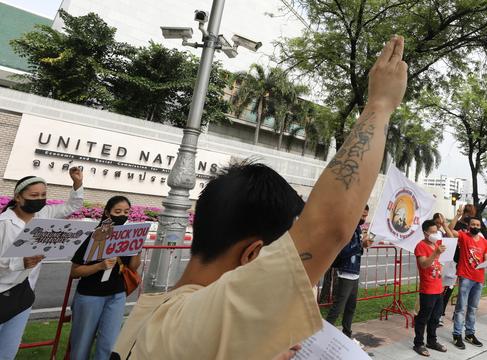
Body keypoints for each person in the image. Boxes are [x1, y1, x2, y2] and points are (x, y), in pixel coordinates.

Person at [111, 35, 408, 360]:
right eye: (282, 248)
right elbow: (327, 228)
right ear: (252, 255)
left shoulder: (151, 315)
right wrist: (380, 104)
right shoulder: (200, 322)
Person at [0, 169, 84, 359]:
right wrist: (19, 262)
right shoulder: (3, 224)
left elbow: (72, 205)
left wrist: (77, 183)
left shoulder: (43, 215)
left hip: (24, 295)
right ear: (18, 197)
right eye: (34, 195)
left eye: (43, 195)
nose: (39, 199)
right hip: (2, 292)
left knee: (8, 350)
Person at [69, 196, 142, 360]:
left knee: (109, 343)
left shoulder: (127, 235)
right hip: (90, 296)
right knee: (81, 343)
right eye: (118, 211)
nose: (122, 215)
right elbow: (74, 271)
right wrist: (99, 266)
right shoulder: (96, 236)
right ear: (108, 212)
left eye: (126, 212)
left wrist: (137, 248)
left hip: (117, 295)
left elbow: (132, 267)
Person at [325, 205, 372, 339]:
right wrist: (360, 245)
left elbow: (357, 251)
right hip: (346, 272)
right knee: (338, 306)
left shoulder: (357, 229)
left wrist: (363, 245)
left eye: (366, 216)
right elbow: (344, 251)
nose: (364, 218)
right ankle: (324, 334)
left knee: (351, 306)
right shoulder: (349, 229)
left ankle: (347, 334)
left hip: (354, 272)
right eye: (363, 215)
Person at [448, 217, 487, 349]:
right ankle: (457, 335)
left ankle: (469, 333)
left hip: (479, 278)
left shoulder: (485, 242)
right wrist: (457, 216)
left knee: (473, 308)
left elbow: (486, 257)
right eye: (473, 224)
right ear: (469, 226)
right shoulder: (463, 236)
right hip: (466, 276)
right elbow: (450, 229)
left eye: (477, 224)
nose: (475, 226)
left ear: (480, 227)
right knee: (461, 308)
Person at [413, 219, 448, 356]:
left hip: (438, 286)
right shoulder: (421, 246)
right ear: (425, 233)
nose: (436, 234)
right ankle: (418, 343)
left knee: (435, 317)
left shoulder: (437, 244)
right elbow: (424, 264)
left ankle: (432, 341)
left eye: (437, 231)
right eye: (433, 232)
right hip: (427, 288)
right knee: (423, 317)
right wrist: (435, 253)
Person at [432, 213, 456, 327]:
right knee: (434, 293)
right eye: (437, 223)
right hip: (433, 265)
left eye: (440, 223)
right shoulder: (431, 234)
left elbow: (451, 238)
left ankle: (439, 316)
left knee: (443, 293)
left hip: (443, 266)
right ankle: (431, 316)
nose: (438, 225)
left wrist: (444, 225)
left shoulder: (441, 232)